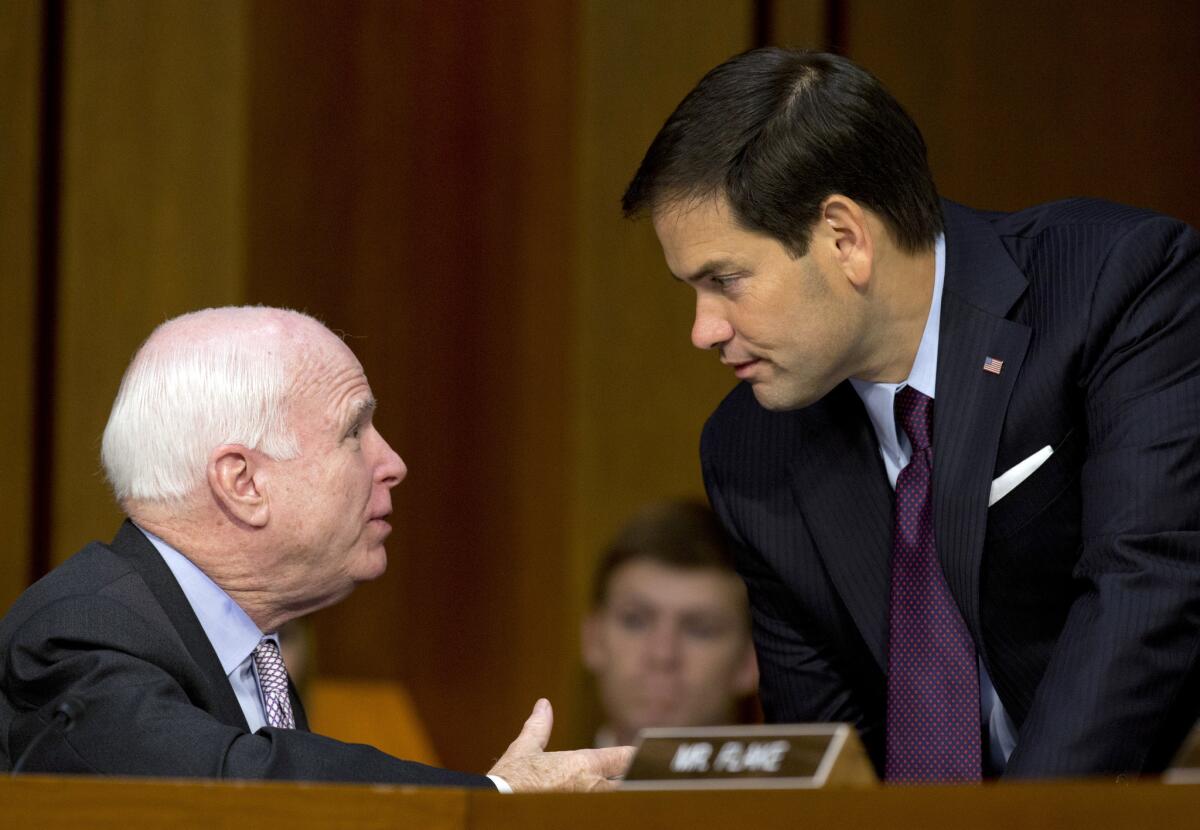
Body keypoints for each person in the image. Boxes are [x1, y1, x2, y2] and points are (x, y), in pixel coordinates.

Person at [621, 48, 1200, 782]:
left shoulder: (1112, 288)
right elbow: (829, 762)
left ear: (845, 239)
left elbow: (1145, 592)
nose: (703, 330)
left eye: (726, 280)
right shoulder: (749, 448)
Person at [0, 306, 632, 790]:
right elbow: (234, 789)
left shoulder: (252, 651)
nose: (394, 463)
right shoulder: (78, 632)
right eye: (354, 431)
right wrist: (491, 796)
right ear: (243, 482)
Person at [581, 500, 758, 747]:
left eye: (700, 630)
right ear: (593, 638)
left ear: (750, 661)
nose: (663, 654)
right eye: (635, 621)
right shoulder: (520, 785)